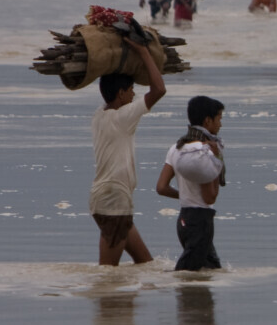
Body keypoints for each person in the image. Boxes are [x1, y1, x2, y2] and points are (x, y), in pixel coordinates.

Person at [89, 38, 167, 266]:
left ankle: (127, 300)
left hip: (108, 197)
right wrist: (143, 52)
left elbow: (110, 88)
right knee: (107, 273)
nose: (134, 95)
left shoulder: (99, 115)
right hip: (114, 198)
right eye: (132, 90)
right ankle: (113, 302)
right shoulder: (123, 117)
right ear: (121, 94)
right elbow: (159, 89)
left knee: (145, 263)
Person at [156, 95, 226, 271]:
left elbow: (162, 187)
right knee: (187, 275)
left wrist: (185, 195)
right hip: (201, 221)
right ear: (208, 121)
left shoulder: (177, 148)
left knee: (211, 270)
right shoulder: (204, 152)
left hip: (184, 220)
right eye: (219, 119)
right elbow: (210, 197)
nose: (220, 124)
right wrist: (217, 160)